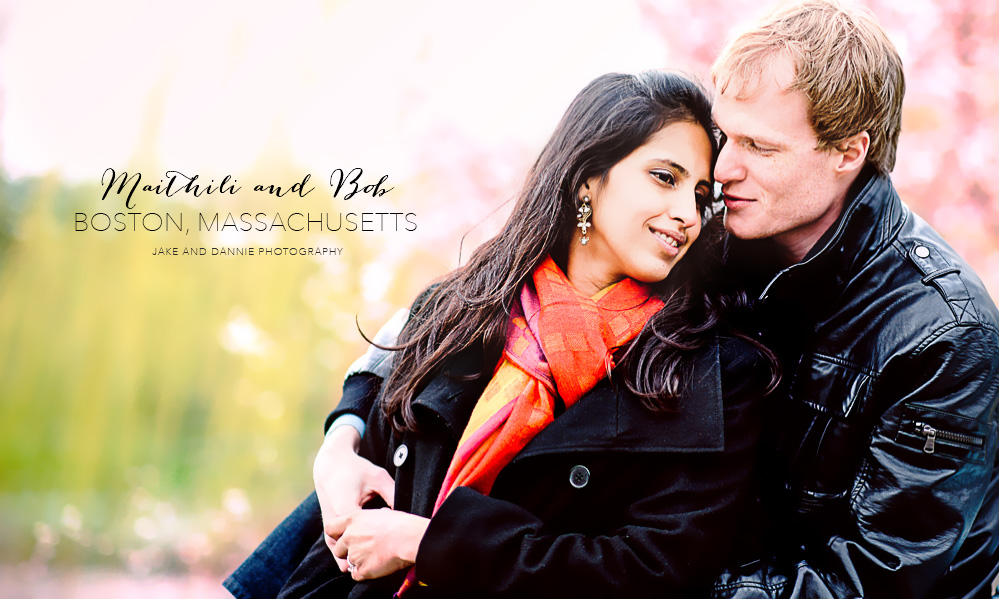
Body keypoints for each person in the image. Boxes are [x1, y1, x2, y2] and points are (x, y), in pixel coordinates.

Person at [224, 71, 779, 599]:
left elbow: (650, 571)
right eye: (665, 178)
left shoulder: (714, 372)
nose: (687, 213)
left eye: (702, 197)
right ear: (588, 179)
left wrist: (426, 543)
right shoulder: (467, 306)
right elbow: (376, 394)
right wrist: (338, 446)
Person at [705, 1, 999, 598]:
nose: (722, 168)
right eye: (722, 135)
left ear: (847, 152)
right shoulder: (706, 246)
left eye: (759, 147)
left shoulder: (945, 333)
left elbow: (873, 583)